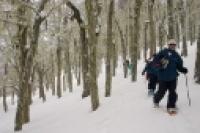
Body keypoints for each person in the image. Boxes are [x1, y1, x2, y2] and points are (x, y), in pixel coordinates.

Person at [153, 39, 188, 113]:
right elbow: (155, 61)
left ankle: (171, 106)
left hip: (173, 77)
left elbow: (179, 66)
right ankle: (156, 100)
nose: (172, 46)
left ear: (175, 46)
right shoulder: (163, 52)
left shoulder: (176, 55)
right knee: (161, 92)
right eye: (171, 44)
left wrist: (183, 69)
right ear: (168, 45)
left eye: (174, 45)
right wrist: (160, 64)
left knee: (172, 92)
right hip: (163, 77)